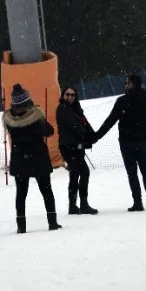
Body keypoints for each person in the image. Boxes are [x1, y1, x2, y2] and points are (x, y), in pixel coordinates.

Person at [94, 72, 146, 211]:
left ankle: (138, 203)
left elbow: (110, 121)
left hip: (127, 143)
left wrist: (96, 136)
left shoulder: (122, 101)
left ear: (132, 84)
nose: (125, 85)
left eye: (127, 82)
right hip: (143, 142)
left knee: (132, 173)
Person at [3, 83, 59, 234]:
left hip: (20, 159)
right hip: (38, 157)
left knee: (21, 194)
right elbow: (49, 131)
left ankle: (21, 226)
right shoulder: (36, 116)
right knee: (47, 191)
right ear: (27, 100)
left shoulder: (9, 119)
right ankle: (52, 222)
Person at [56, 85, 98, 215]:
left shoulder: (76, 109)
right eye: (67, 94)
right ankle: (82, 204)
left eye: (72, 95)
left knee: (75, 174)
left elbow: (84, 123)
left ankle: (73, 206)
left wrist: (92, 134)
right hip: (68, 147)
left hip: (78, 146)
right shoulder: (62, 109)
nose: (69, 97)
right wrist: (86, 136)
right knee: (83, 172)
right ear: (63, 96)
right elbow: (73, 125)